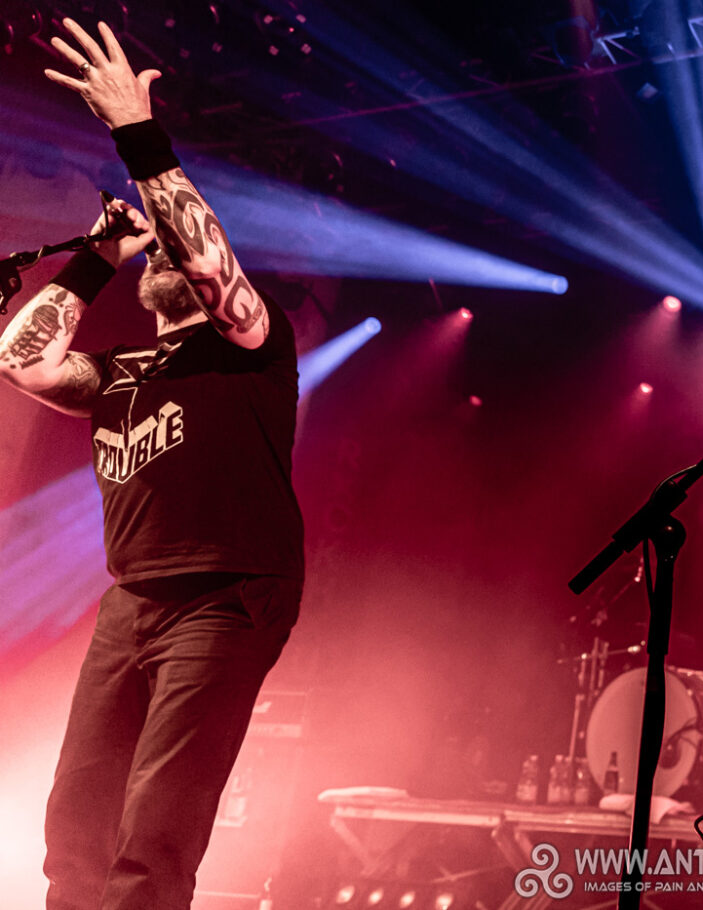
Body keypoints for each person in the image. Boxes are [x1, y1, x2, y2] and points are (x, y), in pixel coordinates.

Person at [0, 18, 303, 910]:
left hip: (228, 595)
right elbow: (20, 360)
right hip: (131, 600)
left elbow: (205, 254)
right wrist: (96, 259)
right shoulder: (120, 369)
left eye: (181, 244)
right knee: (76, 824)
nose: (169, 249)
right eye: (158, 247)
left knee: (155, 831)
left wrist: (136, 131)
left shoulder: (250, 341)